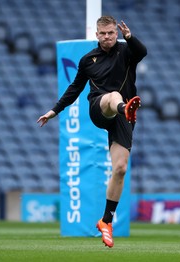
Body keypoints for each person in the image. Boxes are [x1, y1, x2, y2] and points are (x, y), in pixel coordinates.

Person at [37, 15, 147, 248]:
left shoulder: (126, 51)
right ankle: (124, 107)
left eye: (111, 33)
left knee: (120, 169)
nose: (107, 37)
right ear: (96, 35)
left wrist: (130, 37)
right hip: (101, 107)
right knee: (113, 97)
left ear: (116, 33)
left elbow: (142, 52)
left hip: (124, 118)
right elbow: (75, 88)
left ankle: (106, 221)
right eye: (103, 33)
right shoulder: (89, 59)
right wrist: (54, 111)